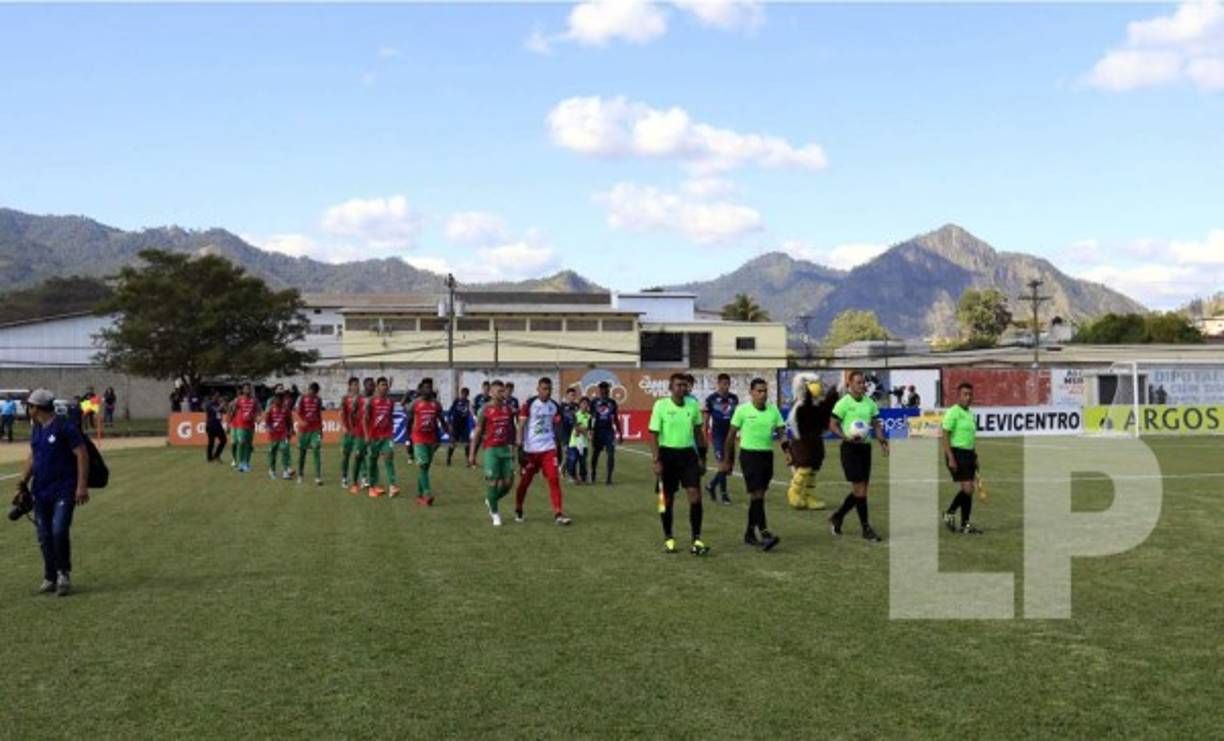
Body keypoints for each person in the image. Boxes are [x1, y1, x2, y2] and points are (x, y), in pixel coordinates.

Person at [15, 389, 89, 596]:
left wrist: (81, 485)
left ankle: (63, 574)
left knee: (58, 531)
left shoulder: (65, 427)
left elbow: (81, 454)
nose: (27, 409)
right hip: (41, 491)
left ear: (37, 408)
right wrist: (23, 483)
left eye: (29, 405)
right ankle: (50, 577)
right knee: (44, 535)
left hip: (64, 490)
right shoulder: (37, 429)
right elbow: (33, 457)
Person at [721, 378, 786, 551]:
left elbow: (781, 434)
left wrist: (788, 453)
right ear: (751, 392)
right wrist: (727, 460)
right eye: (759, 391)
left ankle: (749, 534)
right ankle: (764, 533)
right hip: (749, 456)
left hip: (767, 456)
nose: (763, 394)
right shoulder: (742, 410)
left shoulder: (773, 411)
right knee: (757, 493)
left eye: (765, 391)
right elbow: (730, 436)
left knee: (759, 496)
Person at [649, 373, 709, 555]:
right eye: (678, 385)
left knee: (695, 495)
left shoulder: (693, 405)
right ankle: (668, 537)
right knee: (666, 499)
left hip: (688, 455)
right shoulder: (660, 405)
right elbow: (653, 434)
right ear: (670, 387)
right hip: (667, 455)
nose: (682, 388)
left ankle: (696, 539)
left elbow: (699, 432)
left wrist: (703, 457)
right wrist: (656, 460)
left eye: (685, 385)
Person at [828, 371, 889, 542]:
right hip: (849, 449)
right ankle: (866, 528)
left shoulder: (870, 403)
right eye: (859, 383)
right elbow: (832, 425)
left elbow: (876, 424)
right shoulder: (843, 403)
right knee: (860, 490)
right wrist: (844, 436)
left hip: (865, 448)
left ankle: (838, 516)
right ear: (850, 384)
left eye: (864, 383)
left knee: (861, 491)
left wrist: (882, 440)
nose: (862, 385)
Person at [513, 377, 571, 525]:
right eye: (544, 389)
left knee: (553, 480)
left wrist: (559, 448)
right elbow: (520, 426)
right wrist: (520, 448)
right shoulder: (529, 404)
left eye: (549, 389)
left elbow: (557, 429)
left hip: (548, 449)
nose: (547, 392)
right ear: (538, 389)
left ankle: (558, 514)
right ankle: (519, 508)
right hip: (531, 451)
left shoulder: (554, 406)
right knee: (525, 482)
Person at [784, 373, 836, 510]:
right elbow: (798, 381)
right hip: (802, 439)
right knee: (805, 466)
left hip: (815, 438)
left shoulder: (817, 404)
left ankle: (809, 495)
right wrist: (807, 384)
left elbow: (824, 418)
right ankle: (794, 492)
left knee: (813, 468)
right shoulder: (800, 404)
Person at [469, 380, 517, 527]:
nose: (502, 394)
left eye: (503, 391)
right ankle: (495, 514)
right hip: (491, 450)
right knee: (492, 482)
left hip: (504, 449)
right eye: (499, 391)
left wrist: (514, 447)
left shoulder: (507, 409)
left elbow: (511, 430)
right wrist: (472, 454)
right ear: (491, 393)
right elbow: (477, 432)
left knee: (508, 484)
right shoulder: (485, 410)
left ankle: (491, 499)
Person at [942, 382, 983, 535]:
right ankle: (950, 513)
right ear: (958, 395)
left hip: (969, 454)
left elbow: (970, 437)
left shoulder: (971, 414)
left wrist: (975, 456)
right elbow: (945, 435)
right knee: (968, 488)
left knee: (968, 491)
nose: (968, 397)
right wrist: (950, 457)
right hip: (956, 453)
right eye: (965, 394)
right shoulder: (953, 412)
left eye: (970, 394)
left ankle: (965, 524)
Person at [408, 382, 448, 504]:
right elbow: (409, 420)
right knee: (423, 465)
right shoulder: (415, 404)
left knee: (425, 467)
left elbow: (441, 420)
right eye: (425, 388)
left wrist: (449, 436)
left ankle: (419, 496)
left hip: (432, 439)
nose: (428, 390)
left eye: (429, 387)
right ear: (420, 390)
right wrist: (408, 437)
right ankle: (427, 492)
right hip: (418, 438)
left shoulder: (436, 404)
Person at [703, 373, 739, 505]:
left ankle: (711, 486)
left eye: (727, 383)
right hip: (718, 436)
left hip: (730, 436)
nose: (725, 386)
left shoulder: (734, 399)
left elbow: (736, 418)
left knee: (728, 468)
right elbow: (706, 420)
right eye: (723, 383)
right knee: (723, 465)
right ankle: (724, 495)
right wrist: (705, 436)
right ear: (718, 384)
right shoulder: (711, 399)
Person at [364, 377, 399, 498]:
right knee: (373, 461)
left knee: (389, 456)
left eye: (386, 385)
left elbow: (390, 418)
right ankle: (372, 487)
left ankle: (393, 485)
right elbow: (365, 419)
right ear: (377, 387)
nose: (385, 387)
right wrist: (367, 435)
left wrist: (391, 433)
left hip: (386, 436)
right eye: (382, 385)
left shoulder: (390, 402)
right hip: (374, 436)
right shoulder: (371, 401)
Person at [590, 381, 622, 486]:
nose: (604, 391)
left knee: (611, 454)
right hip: (598, 431)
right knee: (595, 454)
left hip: (608, 431)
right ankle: (593, 475)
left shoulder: (612, 403)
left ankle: (609, 479)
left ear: (608, 390)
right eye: (602, 389)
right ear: (599, 390)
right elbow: (591, 417)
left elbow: (615, 418)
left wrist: (619, 432)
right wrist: (591, 430)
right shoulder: (594, 402)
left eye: (606, 389)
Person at [295, 382, 325, 486]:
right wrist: (301, 422)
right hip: (304, 430)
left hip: (315, 429)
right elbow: (298, 413)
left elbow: (319, 415)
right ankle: (300, 475)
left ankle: (318, 477)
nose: (312, 393)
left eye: (315, 392)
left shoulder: (318, 400)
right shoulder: (302, 399)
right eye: (311, 391)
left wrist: (321, 429)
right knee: (302, 453)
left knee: (316, 448)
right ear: (309, 389)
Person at [228, 383, 259, 473]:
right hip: (241, 424)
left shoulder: (254, 401)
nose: (247, 390)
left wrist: (257, 417)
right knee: (241, 442)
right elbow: (232, 409)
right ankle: (241, 463)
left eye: (249, 389)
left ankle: (247, 463)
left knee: (249, 445)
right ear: (243, 390)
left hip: (251, 425)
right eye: (246, 389)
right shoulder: (239, 400)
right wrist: (230, 421)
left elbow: (258, 411)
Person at [340, 377, 364, 490]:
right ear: (349, 386)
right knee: (346, 455)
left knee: (360, 454)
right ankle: (344, 478)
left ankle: (363, 478)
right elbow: (342, 414)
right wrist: (344, 426)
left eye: (358, 384)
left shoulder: (361, 399)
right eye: (354, 384)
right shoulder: (345, 399)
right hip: (348, 432)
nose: (357, 386)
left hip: (359, 432)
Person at [265, 391, 293, 480]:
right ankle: (272, 470)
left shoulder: (286, 409)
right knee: (272, 452)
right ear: (274, 399)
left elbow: (289, 422)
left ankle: (285, 471)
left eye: (281, 399)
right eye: (277, 399)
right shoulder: (270, 409)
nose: (279, 401)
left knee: (285, 449)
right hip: (273, 435)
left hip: (283, 434)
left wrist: (290, 430)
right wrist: (269, 428)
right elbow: (267, 422)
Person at [566, 397, 592, 484]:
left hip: (583, 443)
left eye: (586, 404)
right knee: (573, 459)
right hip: (574, 442)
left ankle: (583, 478)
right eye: (583, 403)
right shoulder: (575, 414)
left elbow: (590, 430)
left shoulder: (589, 417)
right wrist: (585, 431)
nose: (584, 405)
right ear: (580, 404)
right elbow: (576, 428)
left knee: (582, 462)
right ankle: (572, 476)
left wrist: (587, 433)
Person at [446, 387, 473, 467]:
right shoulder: (456, 401)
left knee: (467, 443)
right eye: (463, 394)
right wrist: (449, 423)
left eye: (466, 394)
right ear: (461, 394)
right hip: (456, 425)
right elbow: (450, 412)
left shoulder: (468, 402)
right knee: (453, 443)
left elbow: (470, 412)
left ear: (467, 395)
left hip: (464, 426)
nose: (464, 396)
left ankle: (468, 461)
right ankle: (449, 459)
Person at [558, 387, 579, 467]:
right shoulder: (562, 406)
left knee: (575, 453)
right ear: (567, 396)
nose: (572, 397)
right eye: (571, 395)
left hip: (574, 433)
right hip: (565, 432)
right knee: (568, 453)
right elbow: (557, 418)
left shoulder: (577, 406)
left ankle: (565, 469)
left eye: (574, 395)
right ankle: (562, 468)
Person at [204, 391, 228, 463]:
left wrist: (225, 406)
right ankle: (210, 458)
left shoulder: (218, 403)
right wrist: (222, 405)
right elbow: (216, 410)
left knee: (224, 440)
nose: (218, 397)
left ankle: (216, 455)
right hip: (211, 425)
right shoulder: (209, 404)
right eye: (216, 396)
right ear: (213, 396)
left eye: (218, 395)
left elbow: (225, 411)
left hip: (218, 425)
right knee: (211, 442)